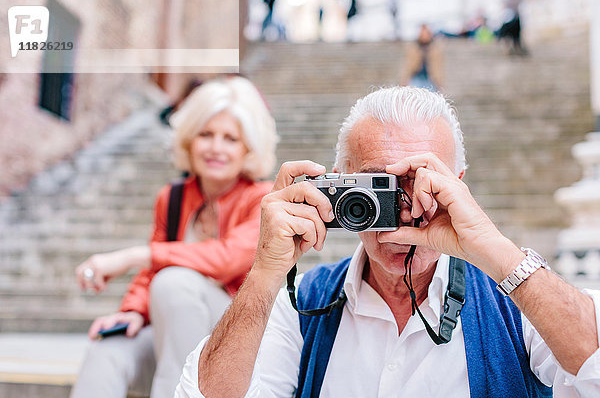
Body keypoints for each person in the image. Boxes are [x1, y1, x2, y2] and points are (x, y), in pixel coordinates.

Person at [176, 86, 600, 397]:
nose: (403, 209)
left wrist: (493, 248)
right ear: (339, 188)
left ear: (460, 188)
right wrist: (268, 270)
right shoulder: (304, 303)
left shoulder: (515, 304)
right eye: (377, 186)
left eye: (422, 185)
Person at [70, 76, 278, 398]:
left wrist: (133, 256)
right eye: (206, 135)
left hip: (234, 336)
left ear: (248, 148)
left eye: (230, 139)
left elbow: (226, 260)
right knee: (109, 346)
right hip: (175, 327)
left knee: (174, 281)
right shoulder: (173, 197)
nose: (215, 148)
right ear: (189, 140)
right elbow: (152, 270)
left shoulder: (262, 199)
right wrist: (133, 311)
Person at [401, 24, 444, 92]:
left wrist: (439, 82)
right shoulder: (414, 48)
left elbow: (438, 66)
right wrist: (405, 80)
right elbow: (408, 65)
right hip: (416, 77)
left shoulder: (434, 49)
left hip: (430, 78)